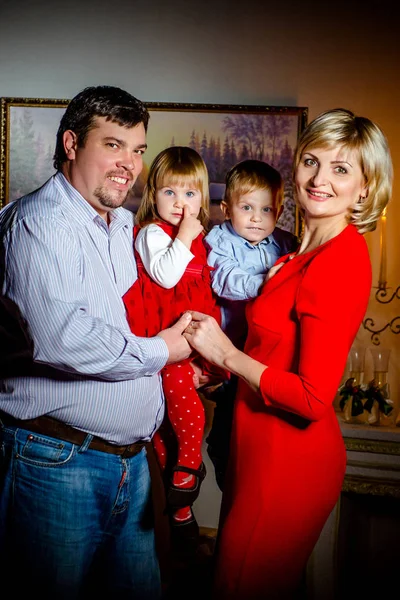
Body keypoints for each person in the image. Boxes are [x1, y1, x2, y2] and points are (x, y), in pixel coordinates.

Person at [183, 108, 393, 599]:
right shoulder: (296, 253)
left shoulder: (338, 261)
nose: (320, 179)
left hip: (288, 462)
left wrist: (227, 354)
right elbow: (274, 353)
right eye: (311, 161)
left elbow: (313, 397)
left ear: (365, 186)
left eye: (341, 169)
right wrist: (222, 372)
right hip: (255, 450)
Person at [0, 85, 193, 600]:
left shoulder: (123, 225)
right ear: (71, 143)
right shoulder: (39, 222)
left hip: (131, 465)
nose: (128, 163)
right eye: (113, 145)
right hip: (57, 462)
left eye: (137, 149)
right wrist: (163, 351)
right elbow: (61, 338)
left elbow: (135, 321)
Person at [122, 146, 226, 552]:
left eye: (190, 195)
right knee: (172, 409)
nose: (180, 204)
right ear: (153, 195)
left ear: (203, 199)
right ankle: (186, 465)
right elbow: (165, 278)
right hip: (164, 337)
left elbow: (206, 290)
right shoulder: (151, 232)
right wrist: (184, 234)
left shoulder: (202, 241)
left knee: (175, 406)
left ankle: (179, 503)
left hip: (192, 337)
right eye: (170, 193)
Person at [204, 159, 298, 490]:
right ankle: (228, 481)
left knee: (265, 439)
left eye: (267, 209)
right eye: (247, 207)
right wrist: (268, 284)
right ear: (227, 208)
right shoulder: (218, 240)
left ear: (280, 210)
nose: (257, 218)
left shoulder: (286, 243)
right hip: (231, 357)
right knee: (227, 436)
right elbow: (226, 280)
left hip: (268, 359)